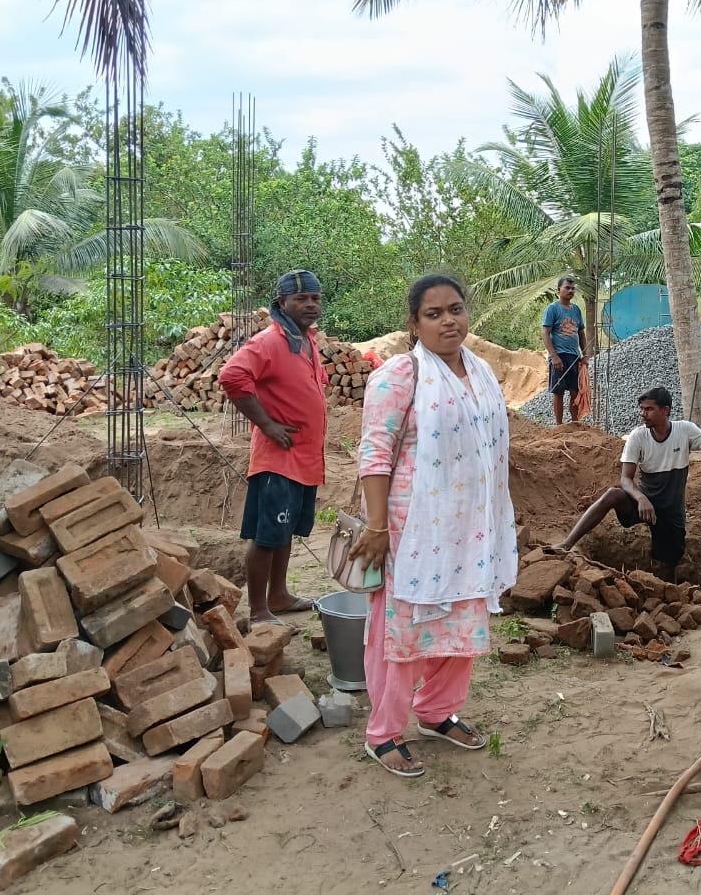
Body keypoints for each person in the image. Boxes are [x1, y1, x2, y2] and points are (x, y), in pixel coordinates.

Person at [348, 274, 518, 777]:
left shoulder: (480, 372)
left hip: (471, 529)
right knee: (403, 630)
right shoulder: (401, 375)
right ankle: (383, 733)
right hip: (412, 530)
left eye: (455, 309)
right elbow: (375, 453)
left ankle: (437, 711)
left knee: (463, 620)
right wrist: (377, 527)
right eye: (434, 313)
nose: (448, 321)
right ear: (414, 323)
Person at [218, 269, 326, 625]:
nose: (310, 305)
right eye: (301, 299)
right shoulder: (270, 341)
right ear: (282, 302)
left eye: (315, 298)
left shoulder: (305, 340)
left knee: (285, 530)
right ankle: (258, 609)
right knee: (266, 536)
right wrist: (266, 424)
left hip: (303, 458)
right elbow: (232, 376)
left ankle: (278, 596)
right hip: (278, 459)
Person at [547, 387, 701, 581]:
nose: (643, 414)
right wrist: (641, 498)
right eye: (642, 409)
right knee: (612, 494)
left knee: (668, 563)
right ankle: (567, 544)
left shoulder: (685, 431)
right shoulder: (638, 436)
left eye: (649, 409)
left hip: (671, 510)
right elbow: (625, 479)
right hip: (643, 504)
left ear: (665, 410)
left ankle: (667, 591)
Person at [542, 276, 587, 425]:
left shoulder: (576, 310)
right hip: (559, 355)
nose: (570, 291)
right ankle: (559, 425)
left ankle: (575, 423)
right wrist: (554, 356)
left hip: (574, 356)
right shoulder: (552, 309)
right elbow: (545, 333)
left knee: (575, 391)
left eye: (573, 288)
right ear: (559, 290)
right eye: (567, 288)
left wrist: (585, 355)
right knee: (558, 391)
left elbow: (581, 333)